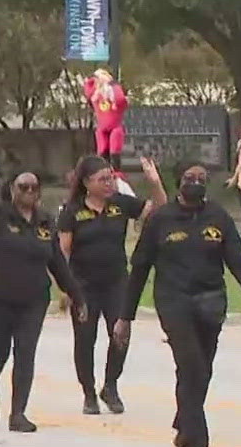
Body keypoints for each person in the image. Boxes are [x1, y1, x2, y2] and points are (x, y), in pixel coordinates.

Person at [115, 162, 241, 447]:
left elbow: (236, 258)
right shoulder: (161, 220)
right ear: (178, 182)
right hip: (174, 301)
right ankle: (194, 445)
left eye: (201, 179)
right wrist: (125, 317)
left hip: (211, 301)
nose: (195, 182)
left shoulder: (218, 217)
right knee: (191, 364)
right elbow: (140, 269)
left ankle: (186, 416)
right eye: (188, 178)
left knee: (202, 371)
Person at [0, 157, 83, 433]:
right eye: (23, 187)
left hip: (33, 300)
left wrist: (76, 295)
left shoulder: (46, 221)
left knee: (25, 354)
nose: (28, 192)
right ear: (12, 189)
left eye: (33, 187)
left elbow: (57, 261)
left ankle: (18, 413)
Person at [58, 154, 168, 415]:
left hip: (117, 281)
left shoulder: (120, 204)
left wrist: (154, 182)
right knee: (85, 339)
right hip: (83, 284)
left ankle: (110, 385)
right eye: (102, 179)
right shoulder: (72, 211)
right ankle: (88, 392)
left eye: (111, 178)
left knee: (120, 335)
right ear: (86, 183)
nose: (109, 183)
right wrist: (66, 289)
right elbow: (62, 252)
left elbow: (160, 210)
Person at [83, 69, 129, 161]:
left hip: (115, 127)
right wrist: (92, 79)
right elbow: (88, 90)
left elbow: (120, 99)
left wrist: (112, 84)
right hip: (102, 128)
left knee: (114, 147)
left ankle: (115, 169)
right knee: (102, 149)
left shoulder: (115, 95)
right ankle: (103, 167)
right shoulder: (95, 97)